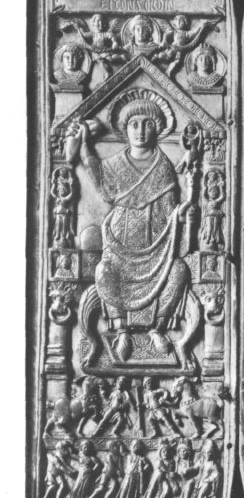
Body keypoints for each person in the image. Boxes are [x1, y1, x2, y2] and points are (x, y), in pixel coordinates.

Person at [66, 89, 195, 361]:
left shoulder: (163, 168)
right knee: (104, 272)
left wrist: (180, 215)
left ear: (157, 128)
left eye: (147, 124)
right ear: (125, 129)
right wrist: (84, 144)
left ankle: (158, 329)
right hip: (119, 246)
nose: (141, 131)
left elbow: (169, 212)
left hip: (155, 249)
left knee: (179, 271)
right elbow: (100, 181)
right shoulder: (115, 164)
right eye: (134, 124)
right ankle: (121, 330)